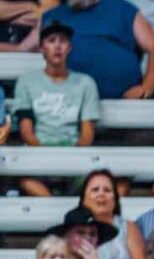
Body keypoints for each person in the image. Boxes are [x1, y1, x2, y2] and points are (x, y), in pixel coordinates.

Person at [12, 22, 101, 199]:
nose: (58, 46)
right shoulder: (27, 81)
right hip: (38, 150)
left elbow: (87, 134)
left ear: (70, 48)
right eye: (51, 40)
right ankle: (53, 204)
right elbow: (26, 130)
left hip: (73, 150)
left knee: (102, 179)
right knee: (21, 178)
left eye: (63, 41)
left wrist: (71, 157)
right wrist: (45, 157)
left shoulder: (85, 83)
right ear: (42, 47)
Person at [41, 0, 154, 102]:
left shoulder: (123, 9)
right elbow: (27, 49)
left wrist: (147, 87)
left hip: (125, 102)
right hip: (69, 104)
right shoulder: (52, 16)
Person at [78, 171, 136, 259]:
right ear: (84, 198)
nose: (101, 194)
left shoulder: (128, 227)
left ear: (115, 199)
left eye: (107, 190)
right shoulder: (75, 228)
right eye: (95, 190)